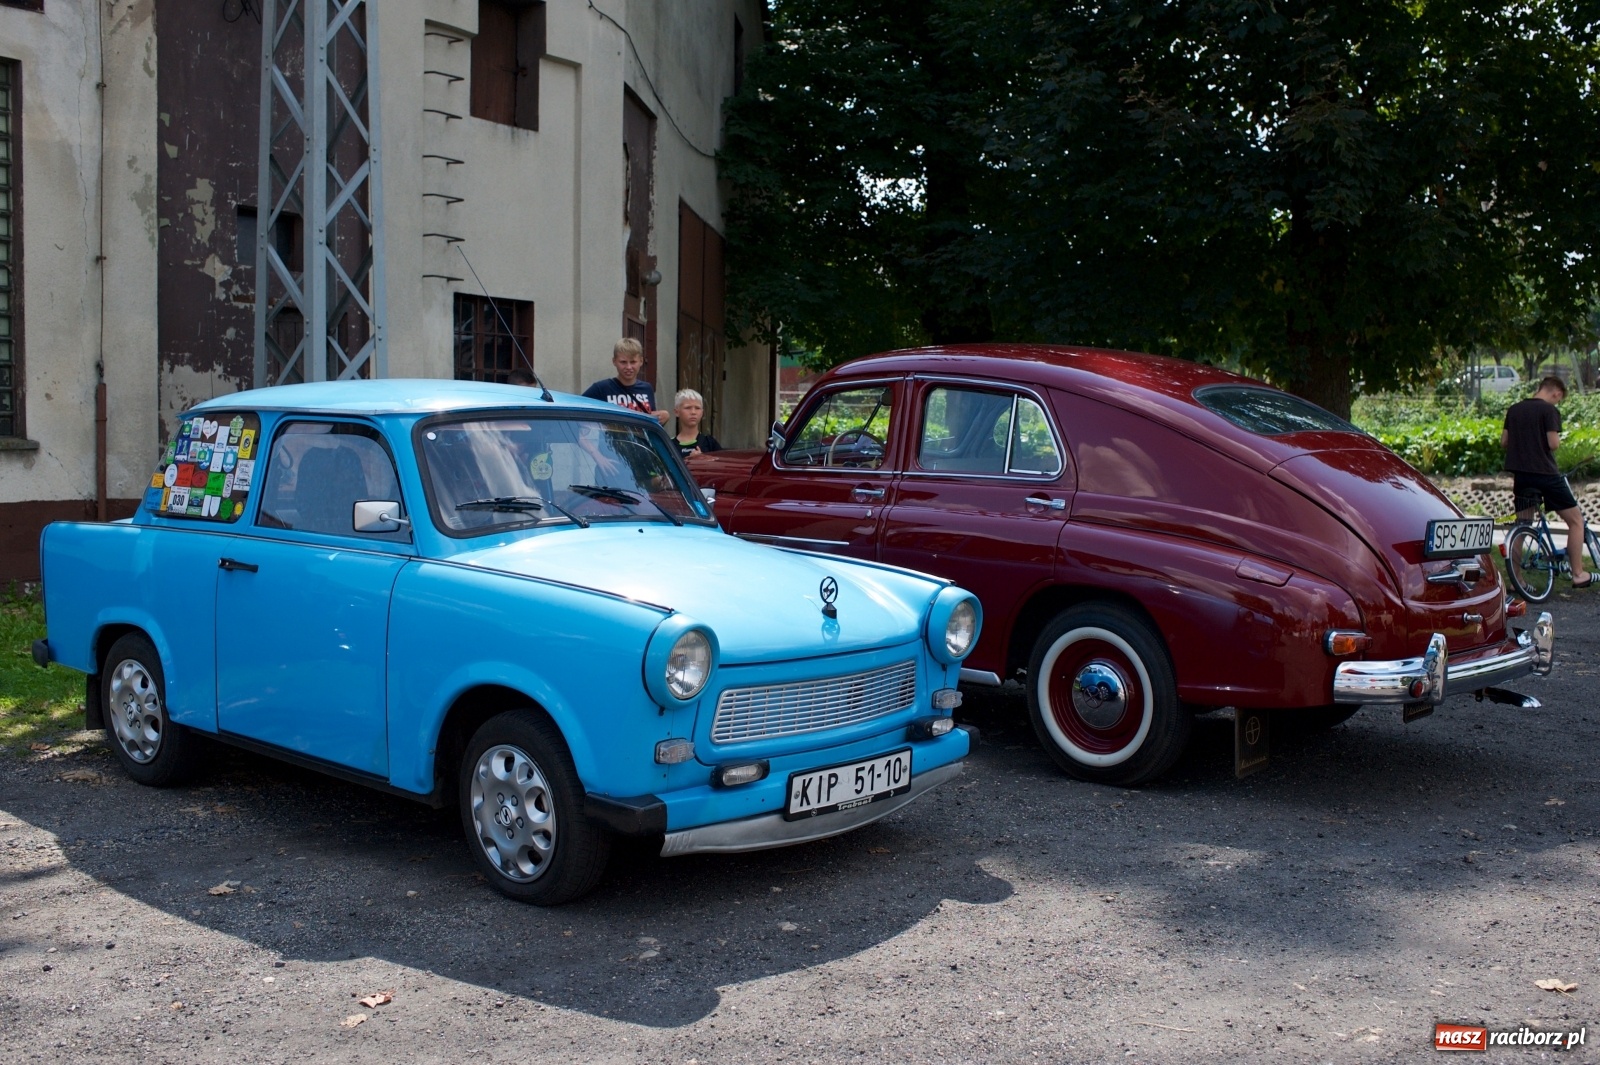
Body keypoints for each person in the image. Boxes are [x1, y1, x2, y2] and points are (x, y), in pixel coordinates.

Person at [1503, 375, 1591, 587]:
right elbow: (1553, 443)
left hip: (1522, 477)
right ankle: (1578, 574)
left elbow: (1504, 441)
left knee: (1521, 526)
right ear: (1556, 393)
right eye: (1558, 399)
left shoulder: (1514, 409)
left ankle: (1517, 581)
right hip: (1546, 475)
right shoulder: (1548, 410)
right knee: (1576, 521)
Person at [582, 338, 671, 425]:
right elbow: (579, 410)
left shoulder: (647, 388)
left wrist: (664, 417)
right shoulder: (601, 389)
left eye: (633, 362)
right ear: (614, 361)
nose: (628, 367)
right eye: (623, 362)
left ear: (641, 361)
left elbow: (651, 422)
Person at [672, 388, 722, 458]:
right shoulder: (669, 445)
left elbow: (720, 464)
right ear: (676, 412)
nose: (693, 412)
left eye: (697, 408)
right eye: (688, 408)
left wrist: (704, 459)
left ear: (702, 413)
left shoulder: (709, 442)